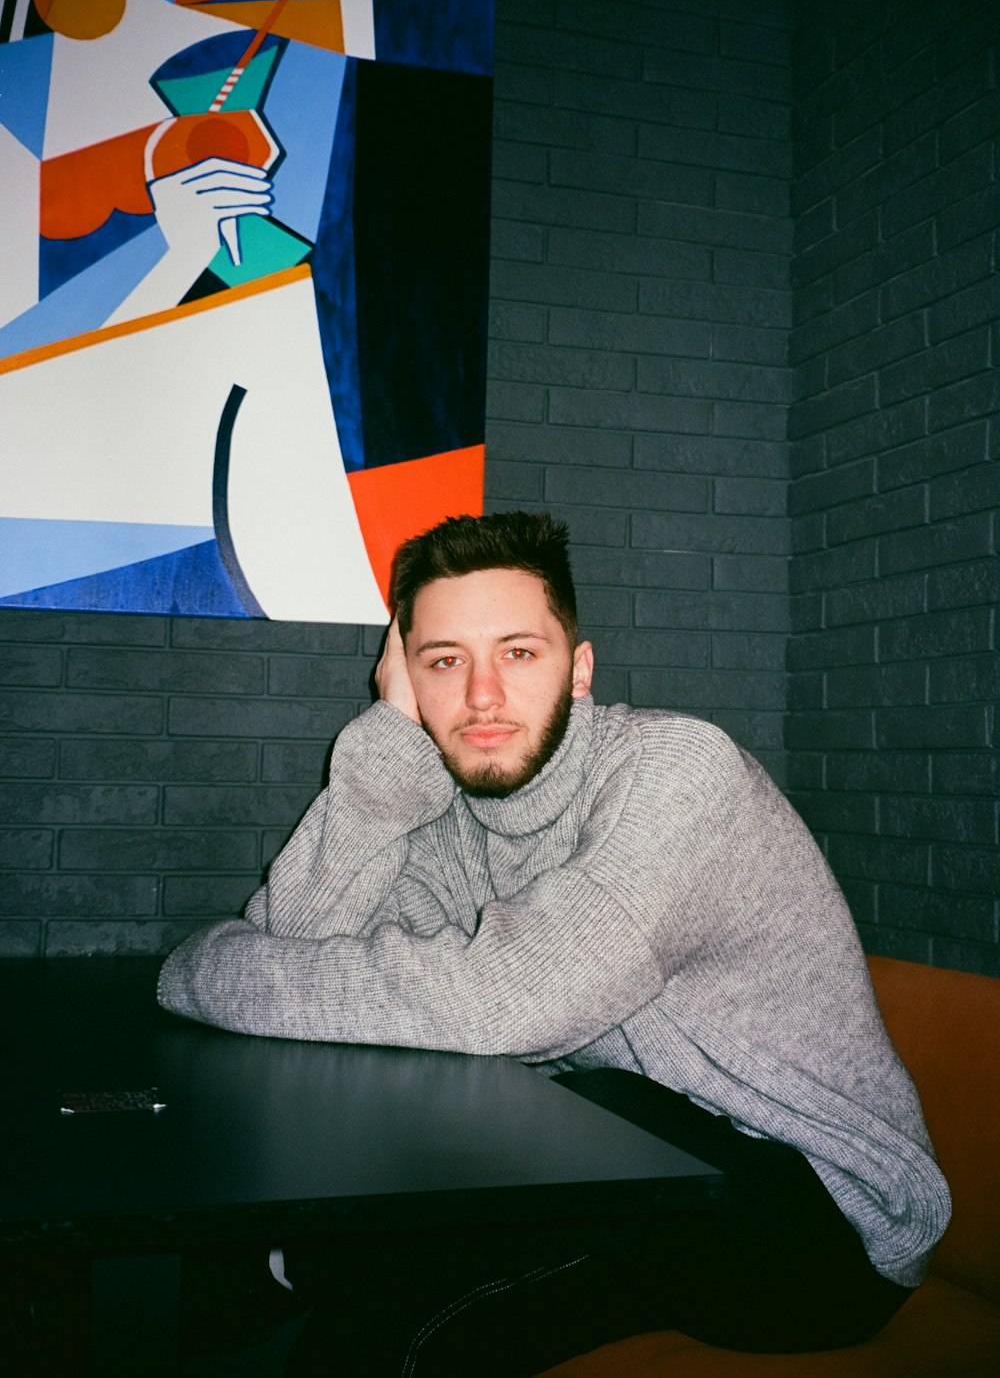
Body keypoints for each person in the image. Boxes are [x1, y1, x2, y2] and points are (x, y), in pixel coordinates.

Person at [158, 511, 950, 1374]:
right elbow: (301, 949)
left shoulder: (678, 773)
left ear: (579, 672)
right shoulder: (446, 822)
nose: (482, 696)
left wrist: (203, 966)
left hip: (822, 1215)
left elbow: (503, 1004)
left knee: (408, 1310)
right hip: (618, 1156)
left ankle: (288, 1264)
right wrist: (384, 758)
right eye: (444, 662)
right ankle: (291, 1267)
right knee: (427, 1236)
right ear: (402, 682)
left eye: (519, 653)